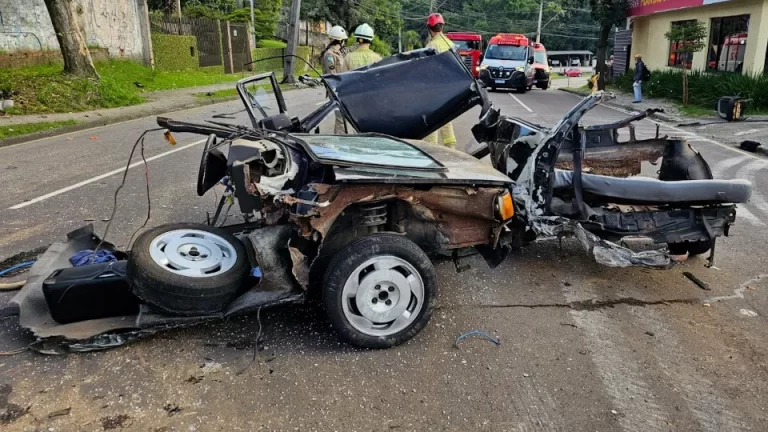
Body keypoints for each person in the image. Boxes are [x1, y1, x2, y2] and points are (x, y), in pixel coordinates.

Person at [423, 13, 457, 149]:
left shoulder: (430, 46)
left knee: (433, 120)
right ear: (442, 27)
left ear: (429, 28)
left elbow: (426, 71)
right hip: (450, 90)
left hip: (434, 89)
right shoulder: (451, 44)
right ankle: (451, 148)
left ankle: (432, 150)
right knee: (446, 119)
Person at [322, 25, 349, 134]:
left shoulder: (339, 53)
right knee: (340, 119)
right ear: (341, 40)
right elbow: (332, 74)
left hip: (341, 89)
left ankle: (343, 138)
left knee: (343, 118)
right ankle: (340, 140)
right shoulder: (329, 54)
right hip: (335, 90)